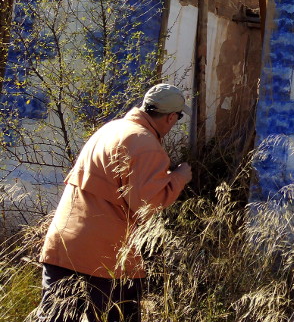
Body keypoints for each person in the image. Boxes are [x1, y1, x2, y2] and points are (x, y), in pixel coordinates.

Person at [37, 84, 193, 322]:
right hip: (105, 258)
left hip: (63, 246)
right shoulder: (146, 145)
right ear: (171, 117)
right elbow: (146, 206)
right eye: (178, 117)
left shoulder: (111, 128)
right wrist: (180, 177)